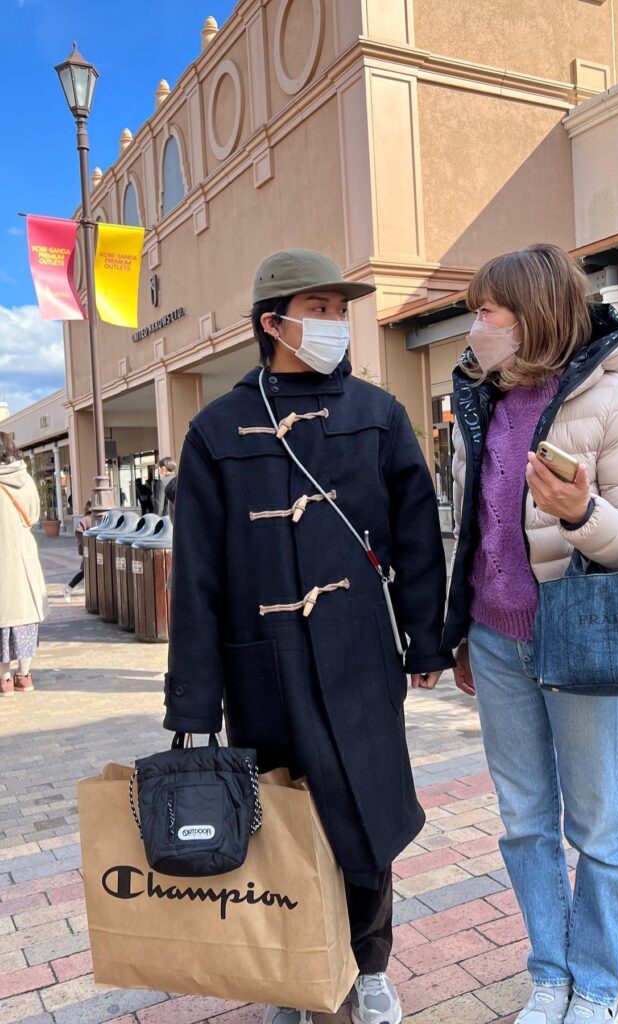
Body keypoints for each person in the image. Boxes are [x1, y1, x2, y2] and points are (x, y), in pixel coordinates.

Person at [164, 249, 453, 1024]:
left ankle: (370, 966)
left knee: (365, 817)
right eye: (318, 309)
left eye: (338, 309)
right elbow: (196, 574)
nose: (335, 322)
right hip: (262, 665)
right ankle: (292, 972)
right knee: (278, 825)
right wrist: (193, 700)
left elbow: (417, 538)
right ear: (274, 322)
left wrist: (425, 641)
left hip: (360, 654)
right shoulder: (215, 430)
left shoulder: (377, 413)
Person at [440, 245, 618, 1024]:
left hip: (582, 637)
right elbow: (477, 533)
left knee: (597, 822)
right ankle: (549, 975)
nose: (475, 327)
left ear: (532, 315)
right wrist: (462, 633)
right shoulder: (481, 402)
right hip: (495, 638)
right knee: (523, 821)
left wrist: (581, 514)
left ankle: (596, 986)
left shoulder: (615, 403)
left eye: (487, 311)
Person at [0, 433, 48, 695]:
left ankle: (4, 679)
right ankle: (24, 675)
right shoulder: (25, 478)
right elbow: (34, 514)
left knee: (3, 618)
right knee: (24, 617)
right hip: (23, 556)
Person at [64, 501, 94, 601]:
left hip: (93, 550)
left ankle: (69, 588)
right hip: (90, 551)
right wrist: (87, 544)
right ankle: (68, 588)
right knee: (85, 572)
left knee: (86, 572)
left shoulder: (95, 518)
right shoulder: (86, 519)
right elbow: (78, 532)